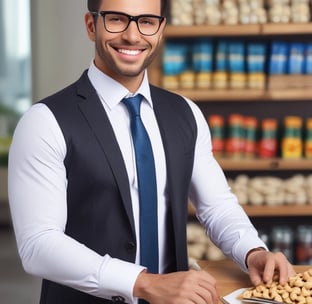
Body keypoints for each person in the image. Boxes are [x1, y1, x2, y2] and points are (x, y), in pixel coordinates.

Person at [8, 0, 296, 303]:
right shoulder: (44, 121)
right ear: (91, 26)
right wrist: (142, 283)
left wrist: (252, 251)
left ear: (161, 29)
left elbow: (217, 206)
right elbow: (38, 245)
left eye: (146, 21)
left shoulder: (186, 113)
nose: (133, 36)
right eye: (117, 20)